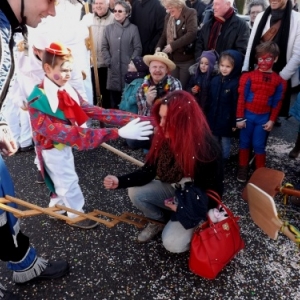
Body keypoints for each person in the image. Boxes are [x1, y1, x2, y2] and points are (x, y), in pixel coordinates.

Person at [27, 42, 153, 230]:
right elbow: (70, 134)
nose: (68, 74)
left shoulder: (66, 89)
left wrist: (140, 119)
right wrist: (115, 132)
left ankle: (58, 208)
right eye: (63, 70)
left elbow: (95, 111)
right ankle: (76, 214)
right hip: (51, 148)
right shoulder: (38, 100)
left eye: (70, 69)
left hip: (62, 146)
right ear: (47, 68)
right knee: (67, 180)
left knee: (61, 179)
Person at [0, 0, 70, 297]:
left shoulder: (6, 27)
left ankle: (23, 264)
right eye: (50, 0)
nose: (52, 11)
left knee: (5, 204)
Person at [104, 90, 223, 252]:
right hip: (176, 190)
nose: (160, 124)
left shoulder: (207, 149)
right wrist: (120, 181)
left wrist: (183, 208)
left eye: (167, 119)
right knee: (135, 192)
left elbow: (213, 196)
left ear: (183, 121)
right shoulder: (163, 137)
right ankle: (158, 220)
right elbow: (148, 171)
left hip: (196, 201)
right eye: (160, 117)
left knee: (173, 245)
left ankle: (196, 227)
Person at [236, 41, 287, 183]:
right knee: (244, 142)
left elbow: (277, 102)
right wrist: (240, 117)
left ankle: (260, 171)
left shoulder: (280, 81)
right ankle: (243, 167)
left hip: (263, 118)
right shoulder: (248, 77)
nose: (263, 62)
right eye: (260, 59)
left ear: (275, 59)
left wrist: (272, 120)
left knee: (259, 145)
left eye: (268, 58)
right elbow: (242, 98)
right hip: (247, 116)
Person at [242, 0, 300, 120]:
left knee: (269, 118)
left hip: (280, 78)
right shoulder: (261, 16)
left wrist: (280, 78)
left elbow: (297, 55)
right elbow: (251, 45)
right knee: (253, 112)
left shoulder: (298, 20)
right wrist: (246, 69)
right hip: (258, 75)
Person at [127, 51, 182, 150]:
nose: (157, 70)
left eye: (161, 67)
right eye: (154, 67)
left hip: (169, 126)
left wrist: (162, 127)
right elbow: (142, 116)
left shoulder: (175, 84)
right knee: (131, 140)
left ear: (167, 70)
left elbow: (177, 112)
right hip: (150, 124)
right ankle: (152, 152)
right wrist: (148, 102)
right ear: (149, 69)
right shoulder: (142, 87)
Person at [101, 0, 142, 108]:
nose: (117, 13)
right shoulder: (108, 29)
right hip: (113, 69)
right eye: (115, 11)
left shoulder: (133, 29)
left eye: (120, 11)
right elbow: (104, 47)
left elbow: (138, 48)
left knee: (127, 101)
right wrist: (109, 61)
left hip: (128, 70)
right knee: (114, 101)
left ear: (127, 13)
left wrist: (131, 63)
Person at [207, 50, 243, 163]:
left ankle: (224, 159)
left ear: (235, 67)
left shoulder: (235, 83)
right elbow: (209, 99)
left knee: (225, 141)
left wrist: (234, 122)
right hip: (213, 117)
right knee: (214, 139)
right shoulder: (215, 80)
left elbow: (235, 104)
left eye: (228, 66)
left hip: (226, 119)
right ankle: (214, 157)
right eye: (222, 65)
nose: (224, 69)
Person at [155, 0, 198, 89]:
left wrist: (173, 45)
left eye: (171, 9)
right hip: (173, 60)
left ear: (178, 5)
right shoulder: (168, 17)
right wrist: (158, 47)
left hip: (186, 60)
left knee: (182, 88)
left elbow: (192, 33)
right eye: (167, 9)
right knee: (172, 88)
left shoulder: (190, 13)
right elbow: (164, 35)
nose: (169, 12)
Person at [81, 0, 114, 108]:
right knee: (93, 91)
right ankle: (95, 115)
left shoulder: (113, 19)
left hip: (107, 62)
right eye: (96, 3)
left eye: (101, 3)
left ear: (107, 4)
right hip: (91, 62)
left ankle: (107, 116)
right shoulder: (88, 18)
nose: (98, 6)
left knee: (106, 92)